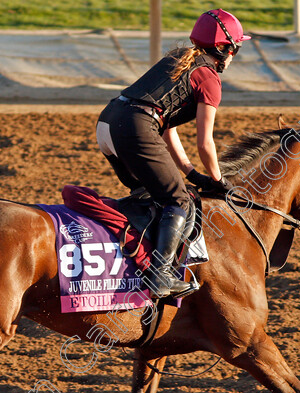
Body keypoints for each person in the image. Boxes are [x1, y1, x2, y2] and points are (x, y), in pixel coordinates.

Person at [95, 8, 251, 298]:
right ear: (223, 48)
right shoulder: (210, 79)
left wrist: (190, 172)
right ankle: (160, 276)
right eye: (235, 49)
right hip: (134, 128)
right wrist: (217, 179)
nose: (234, 56)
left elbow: (166, 128)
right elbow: (206, 142)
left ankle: (132, 261)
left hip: (108, 121)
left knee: (150, 193)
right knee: (178, 200)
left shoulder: (179, 57)